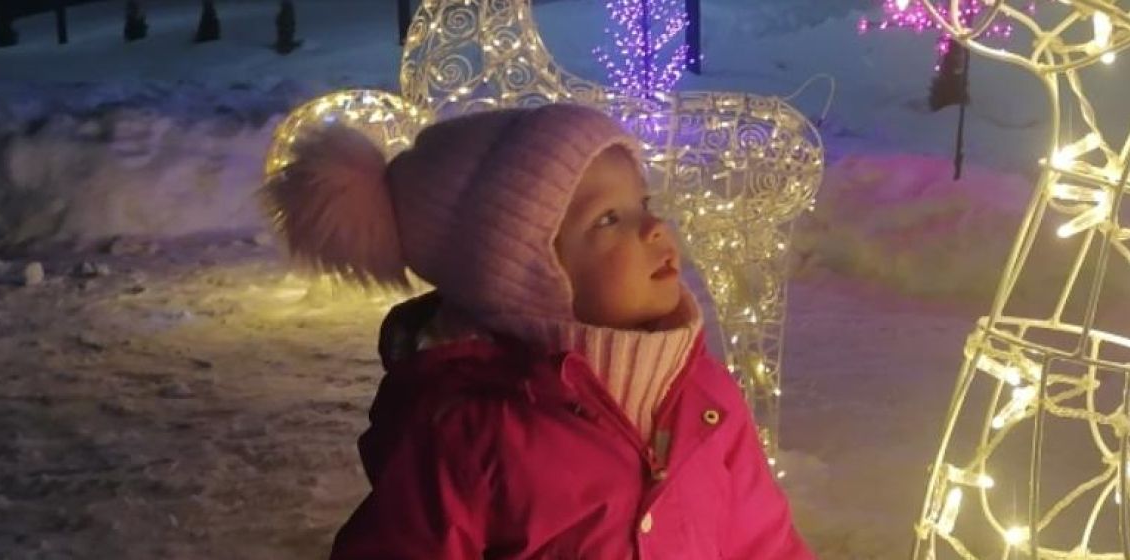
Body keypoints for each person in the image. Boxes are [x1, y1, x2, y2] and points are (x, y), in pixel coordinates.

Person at [262, 104, 812, 558]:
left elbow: (765, 544)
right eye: (608, 219)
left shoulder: (707, 398)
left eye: (642, 204)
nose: (654, 227)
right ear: (527, 276)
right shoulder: (475, 433)